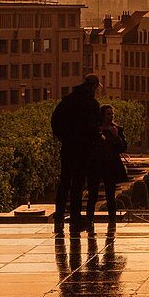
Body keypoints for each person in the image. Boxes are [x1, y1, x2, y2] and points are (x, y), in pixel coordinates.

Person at [51, 74, 102, 234]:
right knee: (78, 183)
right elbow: (94, 127)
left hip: (68, 147)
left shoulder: (68, 100)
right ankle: (75, 216)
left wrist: (64, 137)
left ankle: (59, 215)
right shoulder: (91, 103)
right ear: (94, 87)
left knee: (64, 181)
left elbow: (55, 120)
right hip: (83, 148)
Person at [86, 104, 128, 230]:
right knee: (92, 194)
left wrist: (116, 137)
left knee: (110, 195)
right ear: (102, 115)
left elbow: (123, 148)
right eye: (108, 114)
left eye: (112, 114)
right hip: (95, 165)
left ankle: (112, 220)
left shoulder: (117, 129)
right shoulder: (95, 130)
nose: (111, 116)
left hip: (110, 165)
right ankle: (89, 220)